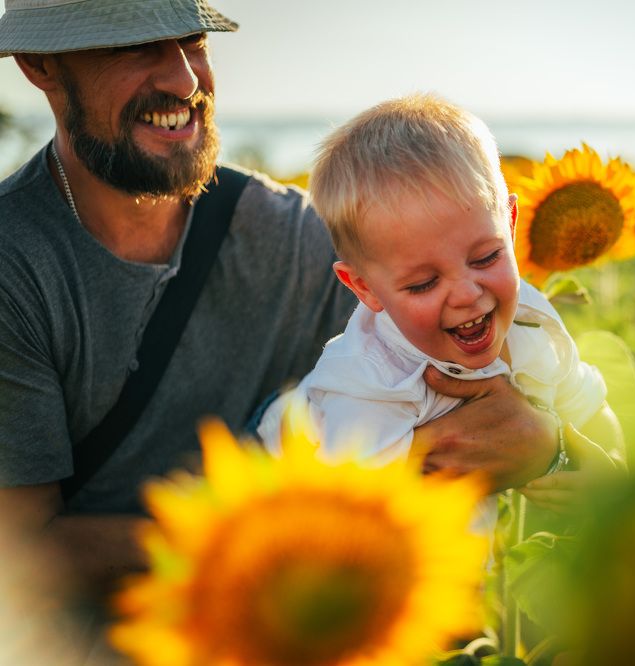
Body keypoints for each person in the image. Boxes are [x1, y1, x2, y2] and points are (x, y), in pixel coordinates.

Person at [0, 0, 563, 599]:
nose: (185, 80)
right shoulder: (16, 267)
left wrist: (546, 443)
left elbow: (489, 379)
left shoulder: (294, 237)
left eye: (192, 41)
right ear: (42, 66)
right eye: (134, 46)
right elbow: (19, 547)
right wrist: (284, 525)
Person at [257, 94, 625, 518]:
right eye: (423, 283)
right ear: (364, 288)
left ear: (510, 225)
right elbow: (354, 519)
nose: (467, 293)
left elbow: (590, 406)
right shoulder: (368, 384)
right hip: (276, 475)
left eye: (486, 257)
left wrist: (608, 471)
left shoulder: (532, 320)